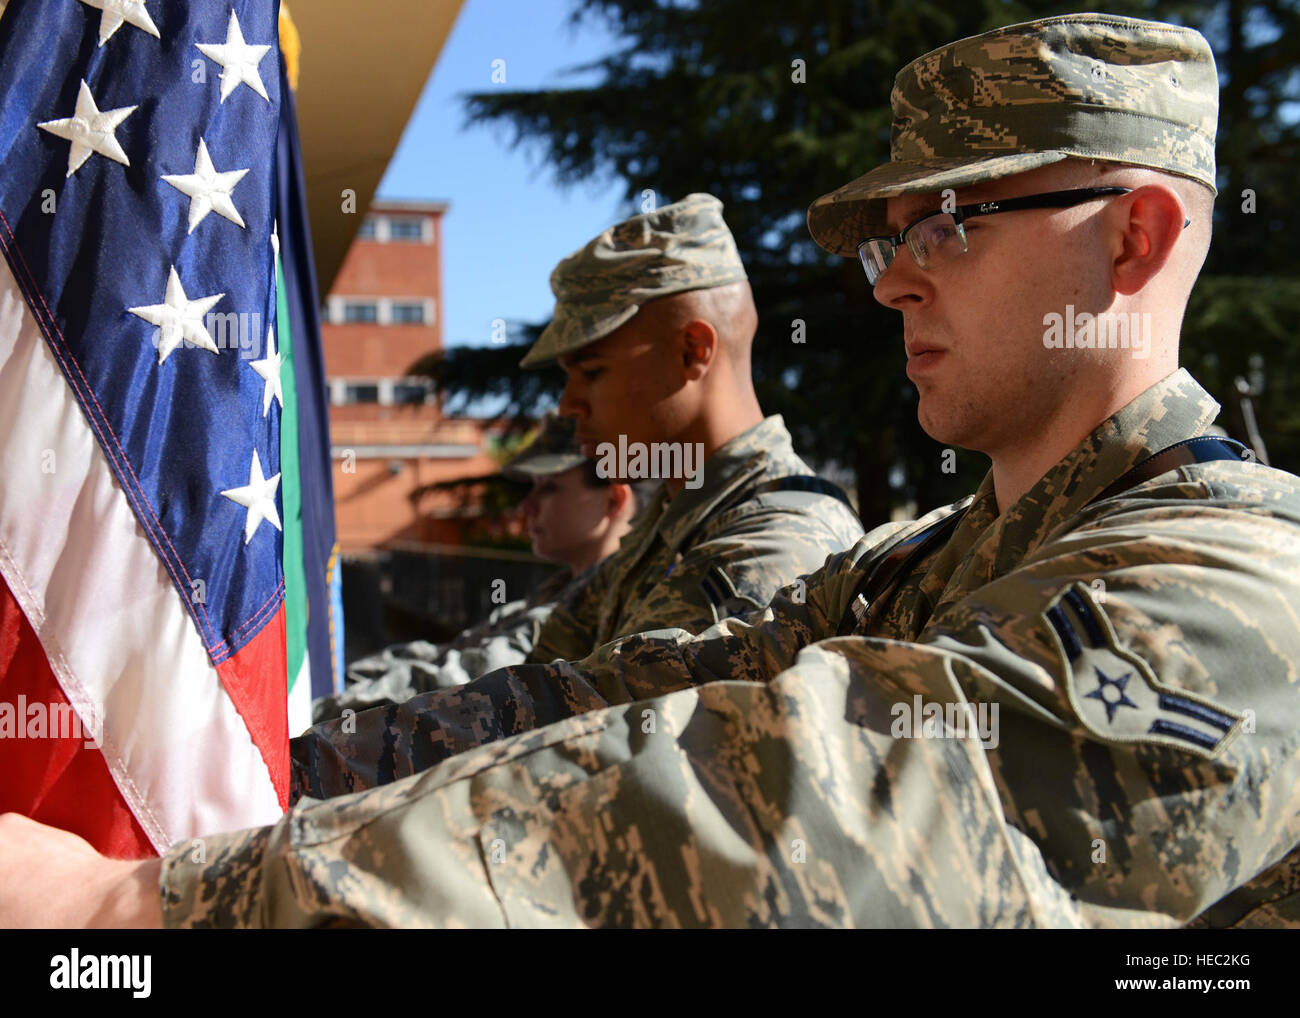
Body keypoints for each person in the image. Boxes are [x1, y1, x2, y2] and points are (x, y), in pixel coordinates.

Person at [7, 12, 1298, 929]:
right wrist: (271, 758)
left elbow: (792, 814)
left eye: (952, 223)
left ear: (1137, 237)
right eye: (894, 237)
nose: (897, 276)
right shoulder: (915, 570)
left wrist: (142, 903)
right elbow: (602, 702)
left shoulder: (1245, 589)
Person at [311, 414, 651, 722]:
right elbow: (446, 654)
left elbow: (462, 679)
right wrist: (341, 683)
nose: (526, 506)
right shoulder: (561, 590)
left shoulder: (617, 596)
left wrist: (319, 709)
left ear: (614, 500)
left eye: (549, 488)